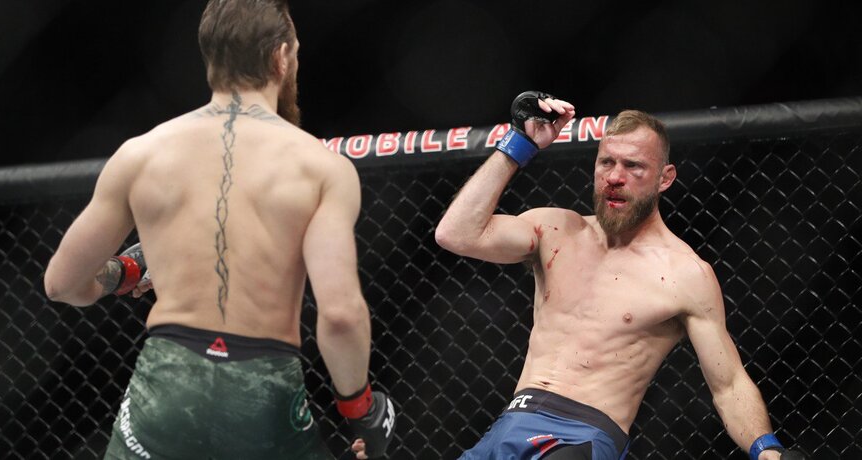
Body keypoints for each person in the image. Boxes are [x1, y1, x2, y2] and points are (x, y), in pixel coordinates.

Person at [43, 1, 394, 458]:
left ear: (210, 59)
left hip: (168, 383)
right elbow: (341, 314)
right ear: (281, 58)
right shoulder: (321, 168)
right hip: (261, 392)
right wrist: (360, 409)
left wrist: (119, 274)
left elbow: (62, 283)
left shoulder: (141, 154)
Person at [433, 92, 804, 459]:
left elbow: (729, 384)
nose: (614, 177)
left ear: (665, 178)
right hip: (509, 425)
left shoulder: (684, 274)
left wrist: (766, 449)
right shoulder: (556, 230)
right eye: (606, 162)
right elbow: (456, 234)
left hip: (579, 439)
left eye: (633, 166)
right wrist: (519, 142)